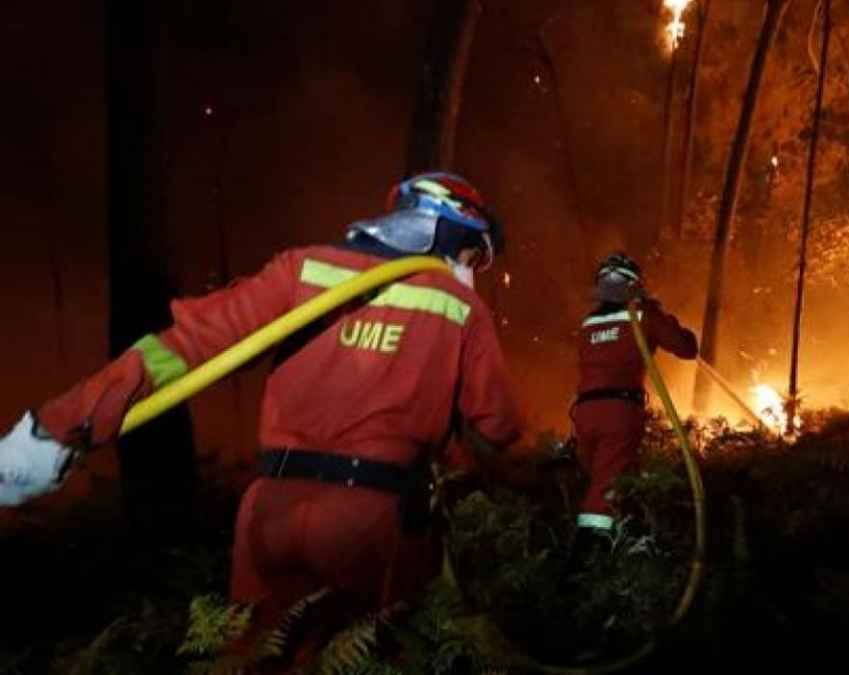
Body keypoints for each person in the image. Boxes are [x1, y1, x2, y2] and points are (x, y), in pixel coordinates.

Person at [0, 171, 523, 668]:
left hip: (269, 513)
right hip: (370, 522)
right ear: (451, 230)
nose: (470, 269)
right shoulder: (459, 307)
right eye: (473, 255)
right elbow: (498, 426)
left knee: (256, 659)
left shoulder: (303, 269)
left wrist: (57, 426)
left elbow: (181, 348)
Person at [565, 252, 697, 568]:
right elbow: (686, 348)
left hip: (584, 413)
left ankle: (623, 540)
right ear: (635, 286)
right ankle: (585, 560)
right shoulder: (642, 317)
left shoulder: (587, 324)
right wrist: (657, 313)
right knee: (606, 487)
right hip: (619, 412)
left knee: (605, 477)